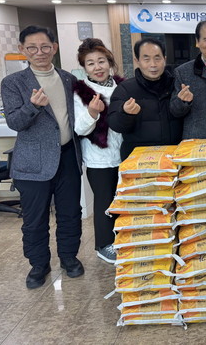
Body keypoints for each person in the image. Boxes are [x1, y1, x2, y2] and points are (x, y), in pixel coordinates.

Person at [1, 25, 84, 289]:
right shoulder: (13, 83)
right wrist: (33, 107)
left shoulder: (68, 79)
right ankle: (38, 264)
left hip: (68, 156)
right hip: (33, 163)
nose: (40, 52)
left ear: (54, 48)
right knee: (35, 219)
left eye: (45, 46)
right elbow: (15, 122)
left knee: (70, 213)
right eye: (32, 48)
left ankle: (69, 257)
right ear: (22, 49)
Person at [72, 38, 124, 264]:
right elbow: (79, 129)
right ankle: (104, 245)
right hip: (98, 158)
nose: (97, 67)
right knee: (104, 201)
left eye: (101, 61)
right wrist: (92, 112)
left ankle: (122, 240)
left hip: (124, 155)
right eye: (90, 63)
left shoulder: (122, 86)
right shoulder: (81, 92)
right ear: (84, 68)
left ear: (109, 62)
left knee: (123, 199)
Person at [108, 37, 183, 160]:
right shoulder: (125, 89)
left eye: (157, 58)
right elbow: (115, 124)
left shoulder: (176, 85)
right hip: (140, 161)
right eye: (146, 59)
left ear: (164, 59)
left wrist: (184, 103)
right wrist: (125, 113)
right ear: (137, 61)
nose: (153, 64)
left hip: (173, 158)